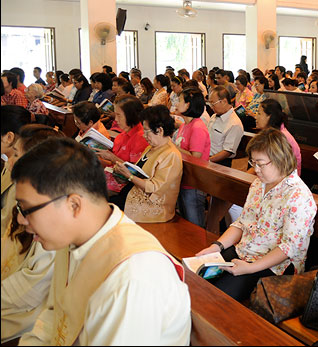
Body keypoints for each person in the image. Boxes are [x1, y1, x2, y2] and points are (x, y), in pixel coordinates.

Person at [12, 137, 190, 345]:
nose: (20, 219)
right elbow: (55, 317)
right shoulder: (74, 239)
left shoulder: (133, 278)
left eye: (26, 209)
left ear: (74, 205)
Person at [194, 128, 316, 301]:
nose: (256, 170)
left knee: (217, 297)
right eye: (253, 163)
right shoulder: (259, 185)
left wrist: (249, 268)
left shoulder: (298, 196)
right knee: (196, 278)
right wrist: (217, 247)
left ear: (279, 159)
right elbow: (242, 223)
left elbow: (289, 248)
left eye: (260, 164)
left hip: (274, 266)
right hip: (245, 251)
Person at [1, 125, 64, 343]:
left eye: (16, 155)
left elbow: (32, 286)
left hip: (21, 312)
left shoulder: (51, 218)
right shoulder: (25, 194)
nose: (10, 161)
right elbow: (7, 239)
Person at [112, 105, 183, 222]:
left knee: (105, 210)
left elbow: (155, 188)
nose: (144, 136)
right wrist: (122, 174)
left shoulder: (171, 154)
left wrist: (130, 176)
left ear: (160, 130)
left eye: (146, 131)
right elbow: (138, 173)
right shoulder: (151, 147)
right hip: (131, 194)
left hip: (151, 206)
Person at [173, 88, 211, 228]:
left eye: (180, 100)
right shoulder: (185, 125)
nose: (176, 104)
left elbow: (196, 158)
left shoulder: (197, 127)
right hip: (183, 178)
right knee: (185, 223)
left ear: (188, 104)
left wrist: (172, 147)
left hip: (194, 182)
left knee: (194, 224)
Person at [96, 96, 149, 192]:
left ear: (130, 115)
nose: (116, 119)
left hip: (125, 186)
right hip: (111, 176)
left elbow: (134, 173)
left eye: (119, 115)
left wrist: (112, 158)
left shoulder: (141, 137)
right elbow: (112, 163)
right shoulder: (122, 134)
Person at [256, 99, 302, 175]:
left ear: (269, 116)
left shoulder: (281, 137)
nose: (256, 117)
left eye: (259, 114)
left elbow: (277, 167)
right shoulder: (270, 132)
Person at [207, 86, 244, 167]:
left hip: (218, 163)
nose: (211, 107)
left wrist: (208, 160)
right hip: (206, 157)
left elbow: (227, 152)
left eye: (213, 103)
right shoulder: (214, 116)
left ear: (224, 101)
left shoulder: (234, 123)